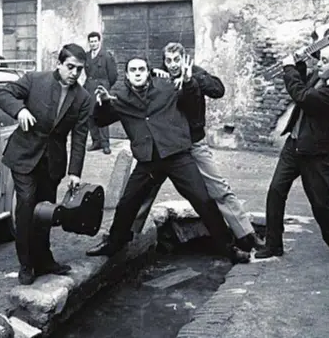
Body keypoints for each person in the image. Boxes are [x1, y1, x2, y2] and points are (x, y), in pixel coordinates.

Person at [85, 56, 250, 264]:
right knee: (127, 203)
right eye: (133, 70)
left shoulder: (165, 88)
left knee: (203, 199)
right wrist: (100, 105)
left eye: (142, 69)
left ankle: (228, 247)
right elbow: (101, 120)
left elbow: (190, 102)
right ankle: (114, 244)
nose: (137, 73)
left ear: (148, 72)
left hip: (177, 155)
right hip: (148, 161)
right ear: (126, 75)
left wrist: (189, 81)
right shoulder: (120, 97)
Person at [131, 43, 265, 252]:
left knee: (218, 187)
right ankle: (126, 237)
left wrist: (190, 76)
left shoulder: (195, 73)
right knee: (144, 190)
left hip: (193, 143)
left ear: (185, 58)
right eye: (169, 60)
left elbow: (218, 90)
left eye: (177, 59)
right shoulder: (156, 77)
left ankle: (246, 236)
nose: (173, 65)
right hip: (166, 147)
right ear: (164, 61)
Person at [0, 43, 91, 285]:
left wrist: (75, 172)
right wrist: (20, 111)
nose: (74, 73)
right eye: (70, 67)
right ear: (59, 64)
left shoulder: (83, 98)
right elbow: (2, 94)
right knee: (27, 204)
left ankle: (44, 259)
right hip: (24, 155)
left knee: (45, 210)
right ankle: (26, 264)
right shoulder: (34, 79)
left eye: (79, 69)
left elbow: (80, 136)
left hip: (53, 161)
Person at [255, 45, 329, 262]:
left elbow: (303, 96)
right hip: (295, 144)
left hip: (316, 153)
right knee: (275, 191)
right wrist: (298, 64)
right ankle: (273, 245)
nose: (319, 64)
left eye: (324, 61)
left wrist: (288, 68)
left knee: (320, 203)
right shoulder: (322, 73)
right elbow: (305, 82)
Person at [84, 32, 118, 154]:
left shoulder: (106, 56)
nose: (93, 44)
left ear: (99, 41)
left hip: (101, 87)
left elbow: (113, 75)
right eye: (91, 41)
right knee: (90, 115)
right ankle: (96, 142)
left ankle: (105, 144)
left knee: (102, 114)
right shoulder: (87, 56)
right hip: (89, 87)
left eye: (95, 41)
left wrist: (106, 87)